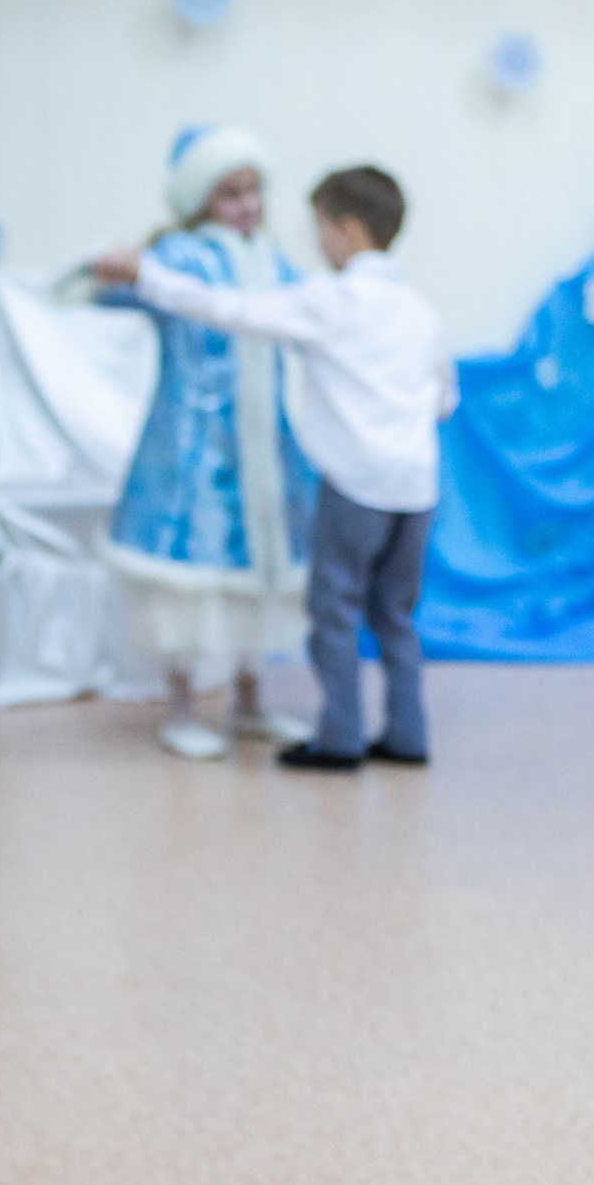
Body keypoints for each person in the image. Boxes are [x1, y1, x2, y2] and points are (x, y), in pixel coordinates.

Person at [91, 166, 454, 771]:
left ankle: (340, 739)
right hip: (416, 491)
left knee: (334, 613)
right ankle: (407, 736)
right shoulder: (419, 310)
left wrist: (145, 275)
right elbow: (445, 397)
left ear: (348, 230)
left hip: (355, 489)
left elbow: (229, 310)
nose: (317, 244)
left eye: (321, 230)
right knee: (395, 616)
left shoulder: (329, 300)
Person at [99, 125, 320, 759]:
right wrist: (120, 270)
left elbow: (311, 313)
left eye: (254, 190)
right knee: (188, 580)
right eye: (230, 193)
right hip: (192, 448)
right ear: (200, 199)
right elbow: (109, 291)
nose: (247, 206)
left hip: (265, 447)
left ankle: (251, 701)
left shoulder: (270, 260)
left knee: (258, 574)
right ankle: (181, 708)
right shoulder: (181, 256)